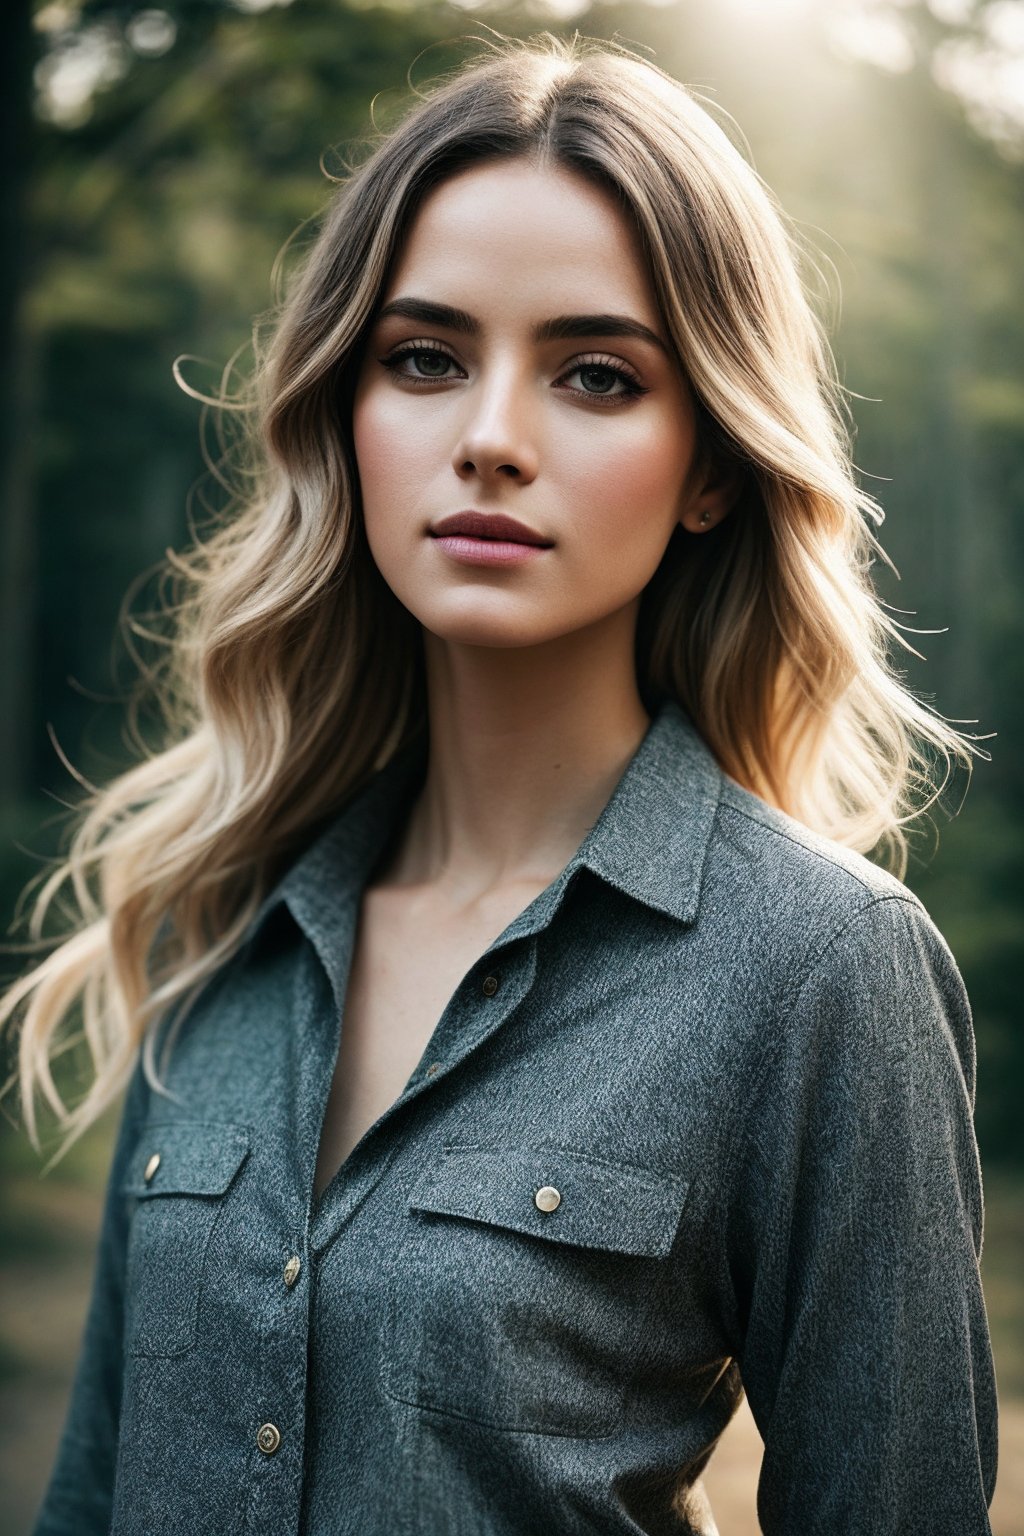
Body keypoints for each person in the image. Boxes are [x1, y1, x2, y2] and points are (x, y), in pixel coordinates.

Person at [3, 28, 996, 1536]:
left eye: (597, 376)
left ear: (713, 463)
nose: (488, 439)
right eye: (424, 359)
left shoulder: (821, 973)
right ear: (348, 407)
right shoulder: (227, 923)